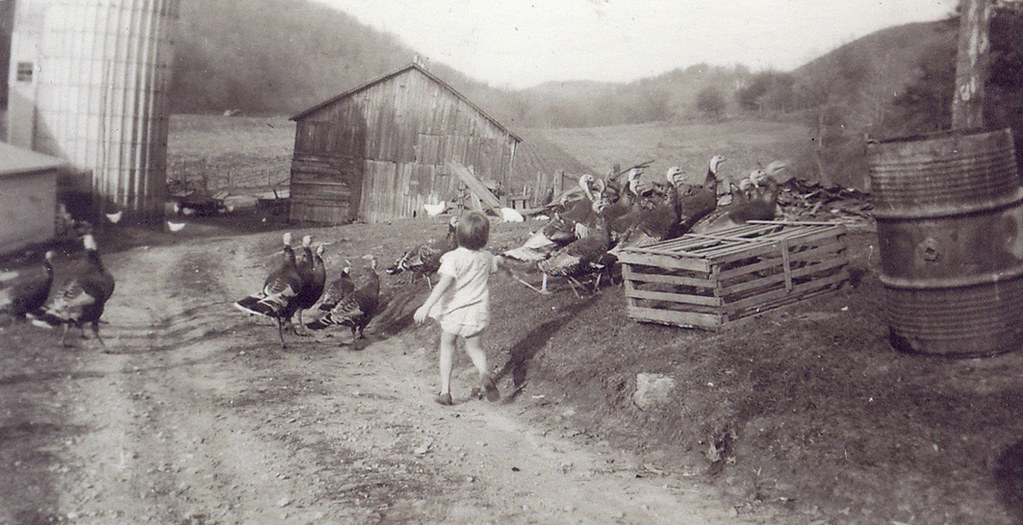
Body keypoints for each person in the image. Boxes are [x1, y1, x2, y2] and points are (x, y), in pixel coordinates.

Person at [413, 211, 502, 406]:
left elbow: (443, 285)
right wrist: (503, 262)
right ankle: (484, 375)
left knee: (447, 346)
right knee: (475, 347)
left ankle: (445, 392)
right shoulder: (486, 257)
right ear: (484, 238)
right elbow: (496, 265)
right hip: (477, 312)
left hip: (454, 312)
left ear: (458, 236)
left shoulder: (453, 258)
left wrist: (426, 306)